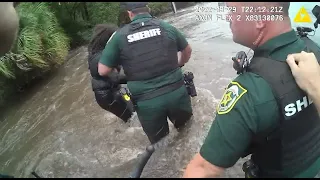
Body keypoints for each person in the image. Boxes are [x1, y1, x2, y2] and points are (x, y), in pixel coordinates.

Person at [183, 2, 320, 178]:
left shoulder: (249, 92)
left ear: (260, 19)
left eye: (232, 11)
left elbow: (202, 170)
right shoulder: (314, 52)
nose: (227, 17)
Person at [98, 2, 193, 144]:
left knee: (160, 146)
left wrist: (122, 75)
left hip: (147, 103)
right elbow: (187, 50)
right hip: (177, 93)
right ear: (148, 9)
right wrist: (179, 64)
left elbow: (103, 70)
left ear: (130, 14)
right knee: (188, 133)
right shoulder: (166, 26)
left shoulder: (119, 36)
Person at [88, 23, 133, 122]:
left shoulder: (97, 52)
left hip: (109, 92)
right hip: (108, 95)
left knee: (130, 112)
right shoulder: (101, 58)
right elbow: (117, 77)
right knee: (131, 116)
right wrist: (137, 75)